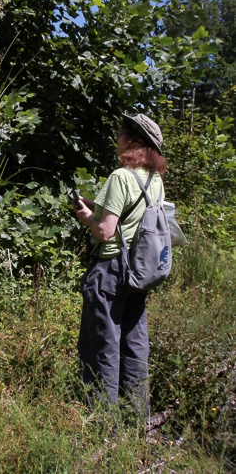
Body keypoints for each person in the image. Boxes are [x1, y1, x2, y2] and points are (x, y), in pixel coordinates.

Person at [73, 113, 166, 423]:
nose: (117, 138)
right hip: (138, 273)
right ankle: (138, 419)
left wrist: (84, 217)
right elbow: (129, 217)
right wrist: (92, 207)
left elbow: (105, 232)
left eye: (120, 133)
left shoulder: (121, 177)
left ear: (133, 141)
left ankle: (104, 425)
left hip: (110, 270)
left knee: (103, 346)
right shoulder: (155, 181)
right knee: (134, 344)